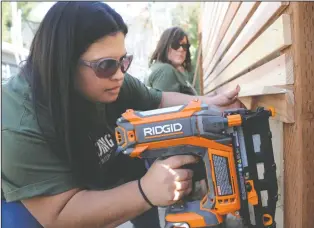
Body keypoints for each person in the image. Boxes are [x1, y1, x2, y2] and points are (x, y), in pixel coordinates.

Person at [1, 2, 242, 228]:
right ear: (65, 64)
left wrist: (210, 105)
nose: (119, 74)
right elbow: (57, 214)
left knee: (136, 163)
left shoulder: (109, 79)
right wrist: (145, 192)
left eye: (124, 61)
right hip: (30, 205)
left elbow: (157, 100)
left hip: (87, 168)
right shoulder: (19, 125)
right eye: (106, 65)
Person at [146, 27, 198, 95]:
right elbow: (168, 104)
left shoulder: (168, 69)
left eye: (185, 46)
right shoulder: (165, 71)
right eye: (175, 44)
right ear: (165, 45)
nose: (181, 49)